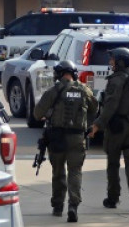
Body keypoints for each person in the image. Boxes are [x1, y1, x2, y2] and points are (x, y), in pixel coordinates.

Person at [34, 60, 97, 223]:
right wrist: (86, 123)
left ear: (60, 73)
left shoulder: (53, 90)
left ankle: (57, 206)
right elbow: (95, 108)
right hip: (77, 138)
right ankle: (73, 206)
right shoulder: (84, 89)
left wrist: (48, 113)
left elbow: (36, 113)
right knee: (75, 171)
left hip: (57, 138)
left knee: (58, 172)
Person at [88, 47, 129, 213]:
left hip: (118, 127)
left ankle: (113, 198)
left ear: (120, 61)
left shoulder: (116, 80)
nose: (110, 62)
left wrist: (97, 125)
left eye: (112, 59)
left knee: (113, 162)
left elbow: (110, 106)